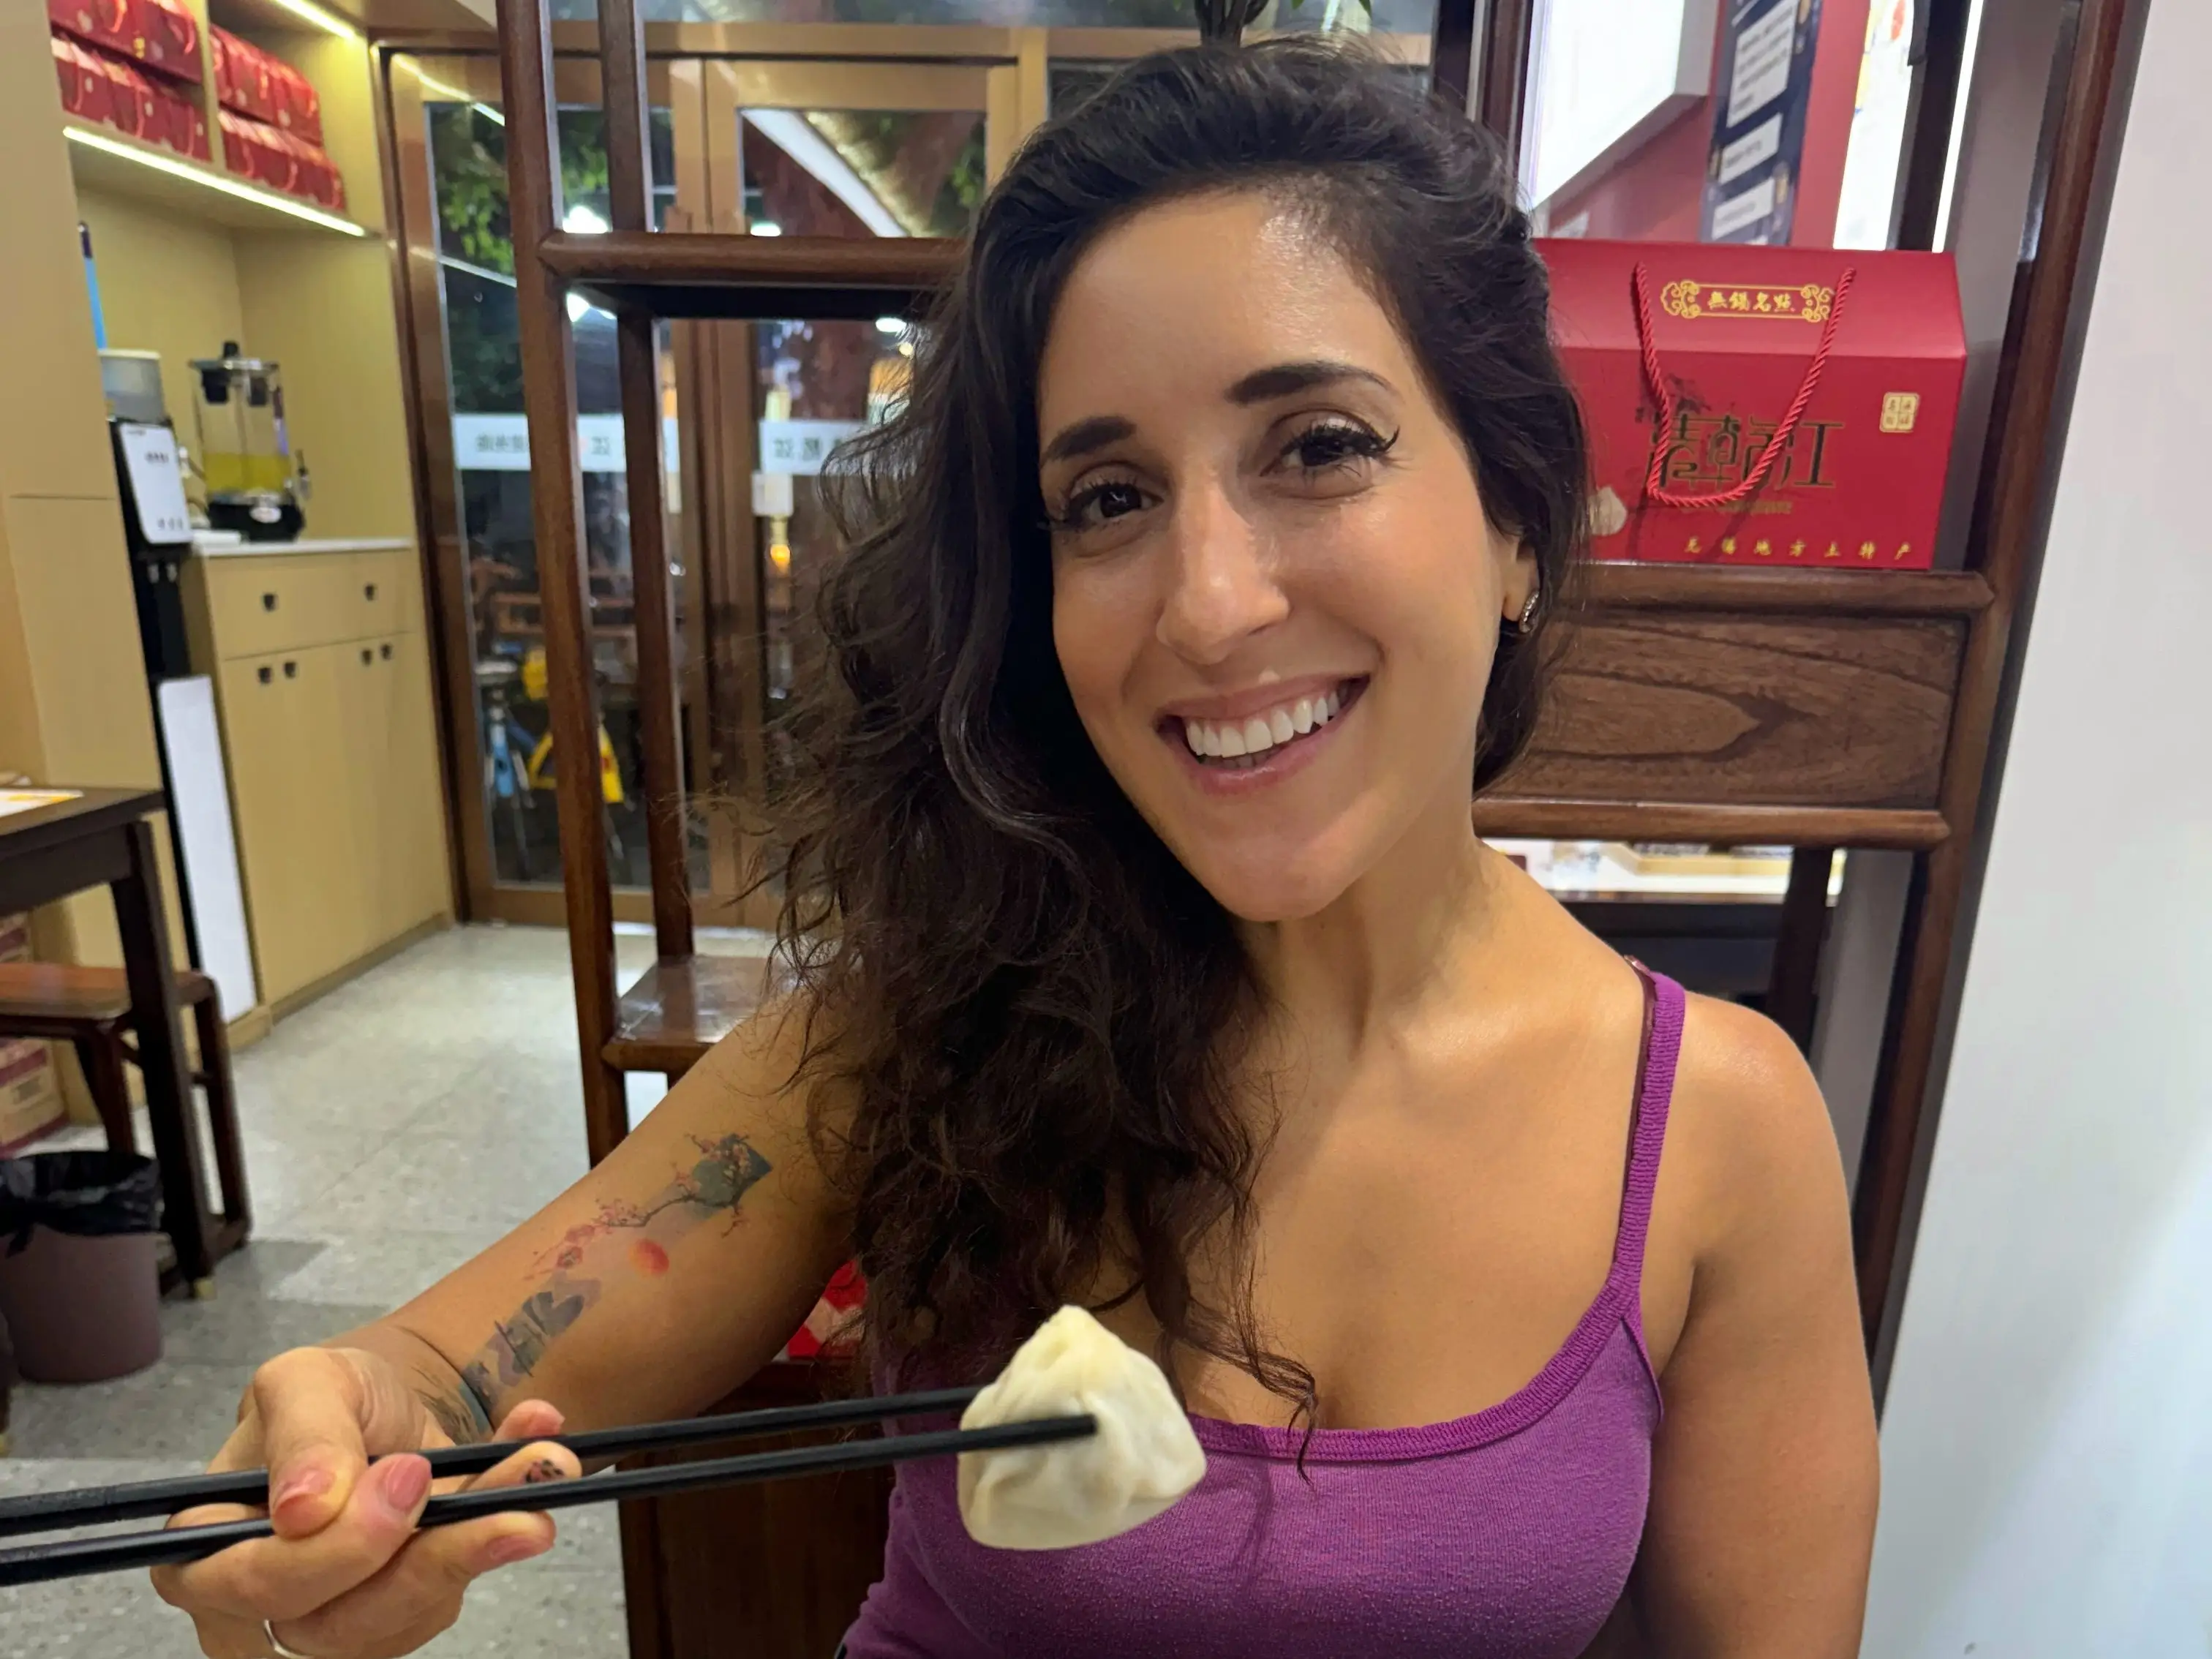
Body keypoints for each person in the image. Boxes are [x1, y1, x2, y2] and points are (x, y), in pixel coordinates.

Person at [157, 40, 1877, 1659]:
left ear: (1516, 523)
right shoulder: (928, 1028)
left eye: (1319, 446)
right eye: (1108, 499)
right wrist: (346, 1444)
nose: (1209, 604)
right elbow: (450, 1376)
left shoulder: (1720, 1131)